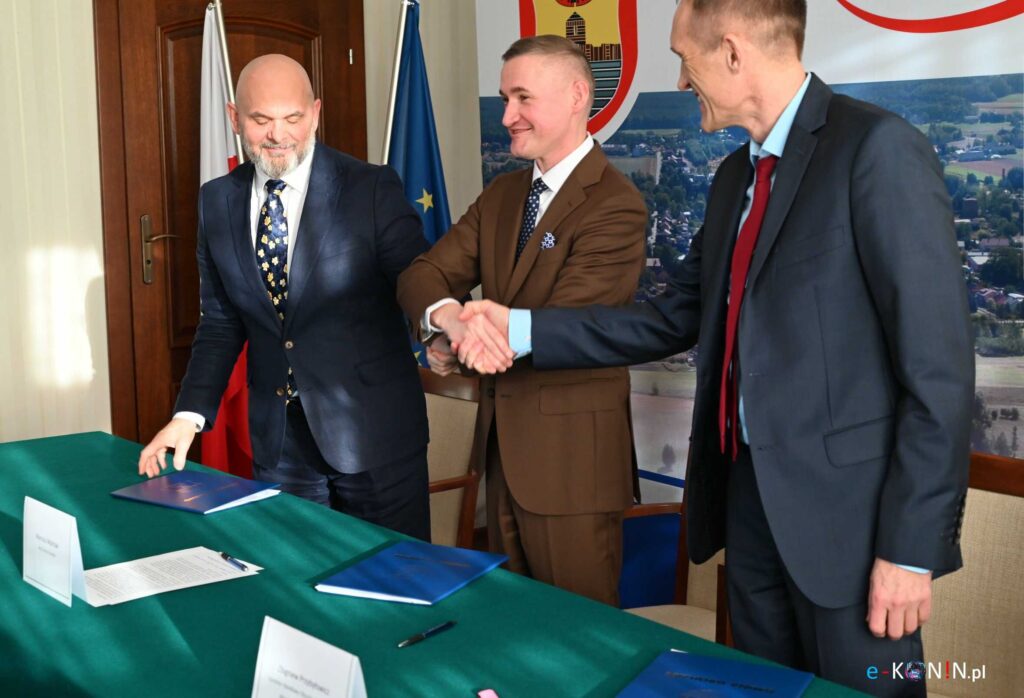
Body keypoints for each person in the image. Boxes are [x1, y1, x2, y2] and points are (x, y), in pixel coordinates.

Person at [454, 2, 974, 694]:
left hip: (853, 530)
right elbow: (670, 318)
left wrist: (909, 551)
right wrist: (519, 329)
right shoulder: (735, 178)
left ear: (732, 52)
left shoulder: (877, 149)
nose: (678, 80)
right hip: (749, 505)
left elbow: (938, 372)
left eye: (683, 58)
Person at [138, 54, 431, 541]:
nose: (278, 134)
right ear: (235, 118)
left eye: (292, 118)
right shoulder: (217, 200)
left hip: (374, 436)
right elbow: (221, 322)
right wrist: (188, 416)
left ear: (315, 114)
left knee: (393, 577)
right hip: (281, 444)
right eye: (261, 120)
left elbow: (418, 281)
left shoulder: (370, 187)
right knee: (296, 574)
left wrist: (445, 325)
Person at [396, 36, 647, 605]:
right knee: (514, 629)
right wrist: (449, 319)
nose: (507, 116)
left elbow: (563, 327)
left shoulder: (616, 204)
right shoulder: (503, 194)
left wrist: (459, 345)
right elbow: (421, 276)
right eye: (505, 98)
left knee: (578, 637)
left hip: (572, 471)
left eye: (522, 98)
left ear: (577, 96)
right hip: (501, 461)